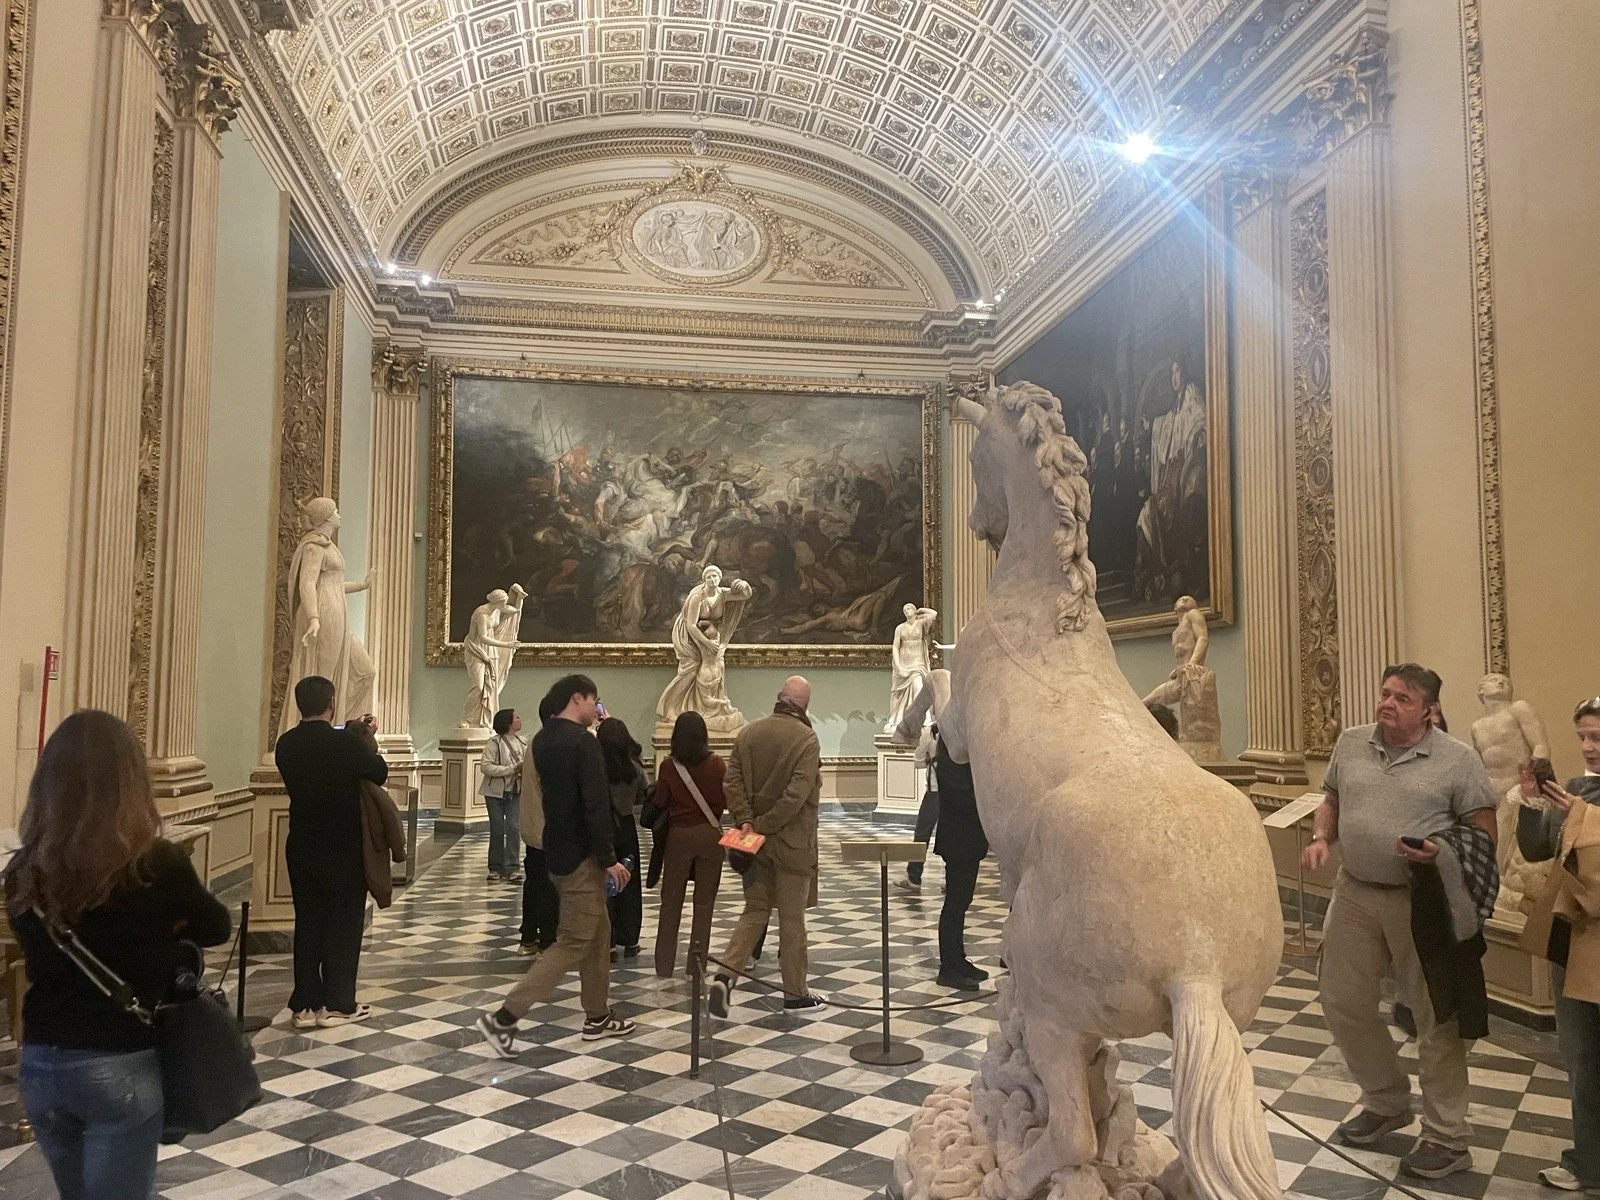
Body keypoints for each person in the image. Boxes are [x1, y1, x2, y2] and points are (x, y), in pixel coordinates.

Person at [6, 711, 232, 1199]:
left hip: (42, 1063)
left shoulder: (24, 870)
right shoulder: (153, 865)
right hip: (118, 1060)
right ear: (131, 780)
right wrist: (164, 934)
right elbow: (217, 926)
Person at [1301, 663, 1498, 1179]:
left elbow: (1483, 834)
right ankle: (1387, 1102)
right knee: (1341, 1000)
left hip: (1424, 901)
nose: (1387, 703)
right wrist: (1323, 836)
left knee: (1436, 1018)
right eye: (1384, 693)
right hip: (1355, 891)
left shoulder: (1458, 761)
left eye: (1402, 698)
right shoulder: (1351, 742)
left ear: (1428, 709)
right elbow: (1332, 799)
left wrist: (1439, 852)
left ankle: (1447, 1137)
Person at [477, 674, 634, 1055]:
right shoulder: (583, 743)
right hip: (582, 856)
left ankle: (598, 1015)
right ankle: (504, 1018)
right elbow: (594, 805)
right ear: (576, 698)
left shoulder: (543, 740)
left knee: (598, 933)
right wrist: (609, 858)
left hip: (555, 850)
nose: (595, 712)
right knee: (572, 942)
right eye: (592, 704)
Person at [1517, 695, 1600, 1193]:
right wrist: (1531, 800)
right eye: (1584, 737)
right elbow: (1538, 848)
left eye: (1599, 739)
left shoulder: (1582, 803)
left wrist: (1586, 817)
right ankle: (1587, 1160)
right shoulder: (1575, 790)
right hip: (1574, 938)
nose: (1589, 748)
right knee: (1583, 1058)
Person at [708, 675, 827, 1018]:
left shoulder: (748, 733)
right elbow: (796, 796)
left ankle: (725, 976)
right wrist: (764, 825)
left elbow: (732, 782)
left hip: (753, 844)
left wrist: (747, 823)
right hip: (792, 844)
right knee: (792, 919)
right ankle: (795, 993)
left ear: (779, 698)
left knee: (755, 911)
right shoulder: (806, 740)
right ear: (805, 705)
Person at [275, 675, 390, 1029]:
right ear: (331, 703)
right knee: (343, 922)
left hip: (302, 843)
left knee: (308, 921)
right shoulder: (345, 745)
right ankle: (338, 1004)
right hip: (342, 845)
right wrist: (364, 736)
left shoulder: (285, 744)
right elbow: (379, 772)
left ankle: (305, 1004)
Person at [653, 711, 728, 979]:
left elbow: (660, 801)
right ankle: (696, 967)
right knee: (704, 905)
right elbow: (726, 801)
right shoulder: (718, 765)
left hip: (679, 836)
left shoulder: (668, 767)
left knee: (670, 903)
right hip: (710, 836)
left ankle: (663, 966)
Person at [932, 729, 990, 990]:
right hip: (958, 839)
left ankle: (959, 959)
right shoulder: (951, 760)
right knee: (955, 904)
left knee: (962, 901)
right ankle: (949, 967)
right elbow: (964, 795)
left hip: (965, 839)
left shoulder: (957, 758)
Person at [597, 716, 646, 959]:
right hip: (626, 828)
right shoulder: (633, 767)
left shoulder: (596, 768)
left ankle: (608, 941)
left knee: (605, 884)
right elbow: (642, 796)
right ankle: (630, 939)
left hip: (604, 827)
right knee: (629, 881)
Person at [518, 695, 561, 956]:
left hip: (535, 827)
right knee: (546, 886)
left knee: (534, 883)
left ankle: (528, 937)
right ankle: (546, 938)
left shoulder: (536, 741)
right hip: (547, 828)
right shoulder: (550, 744)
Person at [479, 708, 526, 883]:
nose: (520, 720)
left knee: (513, 828)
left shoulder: (522, 742)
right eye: (517, 717)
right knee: (497, 829)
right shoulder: (494, 743)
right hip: (495, 794)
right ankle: (495, 867)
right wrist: (511, 769)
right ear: (508, 723)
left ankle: (513, 867)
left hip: (515, 791)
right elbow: (486, 767)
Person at [895, 721, 940, 894]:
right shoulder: (957, 728)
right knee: (953, 835)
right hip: (956, 791)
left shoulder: (929, 733)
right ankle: (953, 880)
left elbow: (918, 761)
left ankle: (914, 877)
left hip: (935, 790)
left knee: (922, 834)